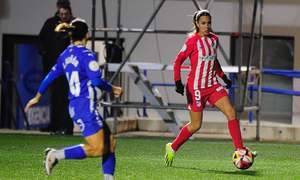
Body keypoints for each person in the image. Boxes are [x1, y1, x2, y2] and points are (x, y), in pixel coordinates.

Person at [25, 19, 123, 180]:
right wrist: (114, 89)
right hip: (84, 107)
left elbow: (50, 76)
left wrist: (37, 96)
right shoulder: (87, 56)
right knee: (98, 148)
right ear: (87, 35)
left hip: (77, 106)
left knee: (110, 143)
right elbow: (97, 81)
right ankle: (56, 155)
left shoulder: (65, 55)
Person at [164, 9, 255, 167]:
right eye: (203, 23)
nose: (206, 26)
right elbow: (178, 62)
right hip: (196, 88)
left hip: (212, 85)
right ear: (197, 24)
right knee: (195, 126)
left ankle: (239, 149)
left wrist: (223, 76)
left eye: (209, 23)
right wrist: (177, 82)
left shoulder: (214, 39)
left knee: (231, 112)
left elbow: (214, 60)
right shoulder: (191, 41)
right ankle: (172, 147)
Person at [38, 1, 75, 135]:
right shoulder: (50, 23)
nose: (63, 15)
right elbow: (41, 40)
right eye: (61, 12)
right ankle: (55, 124)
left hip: (69, 68)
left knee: (67, 97)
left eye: (66, 13)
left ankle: (66, 126)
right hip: (54, 66)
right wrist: (44, 52)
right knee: (55, 96)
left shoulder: (74, 25)